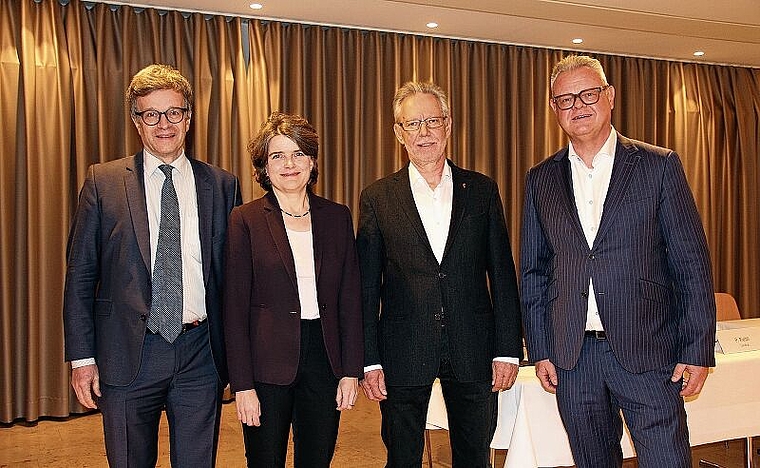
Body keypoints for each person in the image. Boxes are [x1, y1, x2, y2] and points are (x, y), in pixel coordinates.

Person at [520, 54, 716, 468]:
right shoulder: (541, 179)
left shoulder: (658, 166)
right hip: (574, 359)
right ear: (555, 110)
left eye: (588, 94)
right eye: (566, 99)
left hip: (648, 351)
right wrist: (540, 349)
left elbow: (691, 264)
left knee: (668, 461)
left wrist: (697, 349)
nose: (578, 106)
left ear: (609, 96)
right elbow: (535, 272)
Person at [63, 64, 242, 467]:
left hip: (201, 354)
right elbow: (80, 277)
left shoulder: (222, 185)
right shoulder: (102, 182)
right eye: (151, 114)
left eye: (174, 112)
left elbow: (232, 280)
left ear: (189, 118)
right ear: (136, 122)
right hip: (128, 354)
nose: (164, 124)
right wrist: (82, 358)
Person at [357, 81, 523, 467]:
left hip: (474, 347)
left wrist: (507, 349)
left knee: (473, 456)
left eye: (432, 121)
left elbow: (501, 273)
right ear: (399, 133)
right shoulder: (378, 198)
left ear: (448, 125)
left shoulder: (481, 191)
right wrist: (369, 359)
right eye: (413, 124)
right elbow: (367, 286)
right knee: (402, 458)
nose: (424, 132)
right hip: (402, 348)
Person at [223, 112, 363, 467]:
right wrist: (242, 385)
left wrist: (350, 371)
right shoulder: (246, 219)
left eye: (298, 153)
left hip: (324, 360)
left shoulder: (337, 217)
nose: (289, 164)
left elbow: (349, 300)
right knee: (264, 461)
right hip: (265, 365)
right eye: (277, 156)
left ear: (312, 161)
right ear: (264, 167)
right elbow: (234, 310)